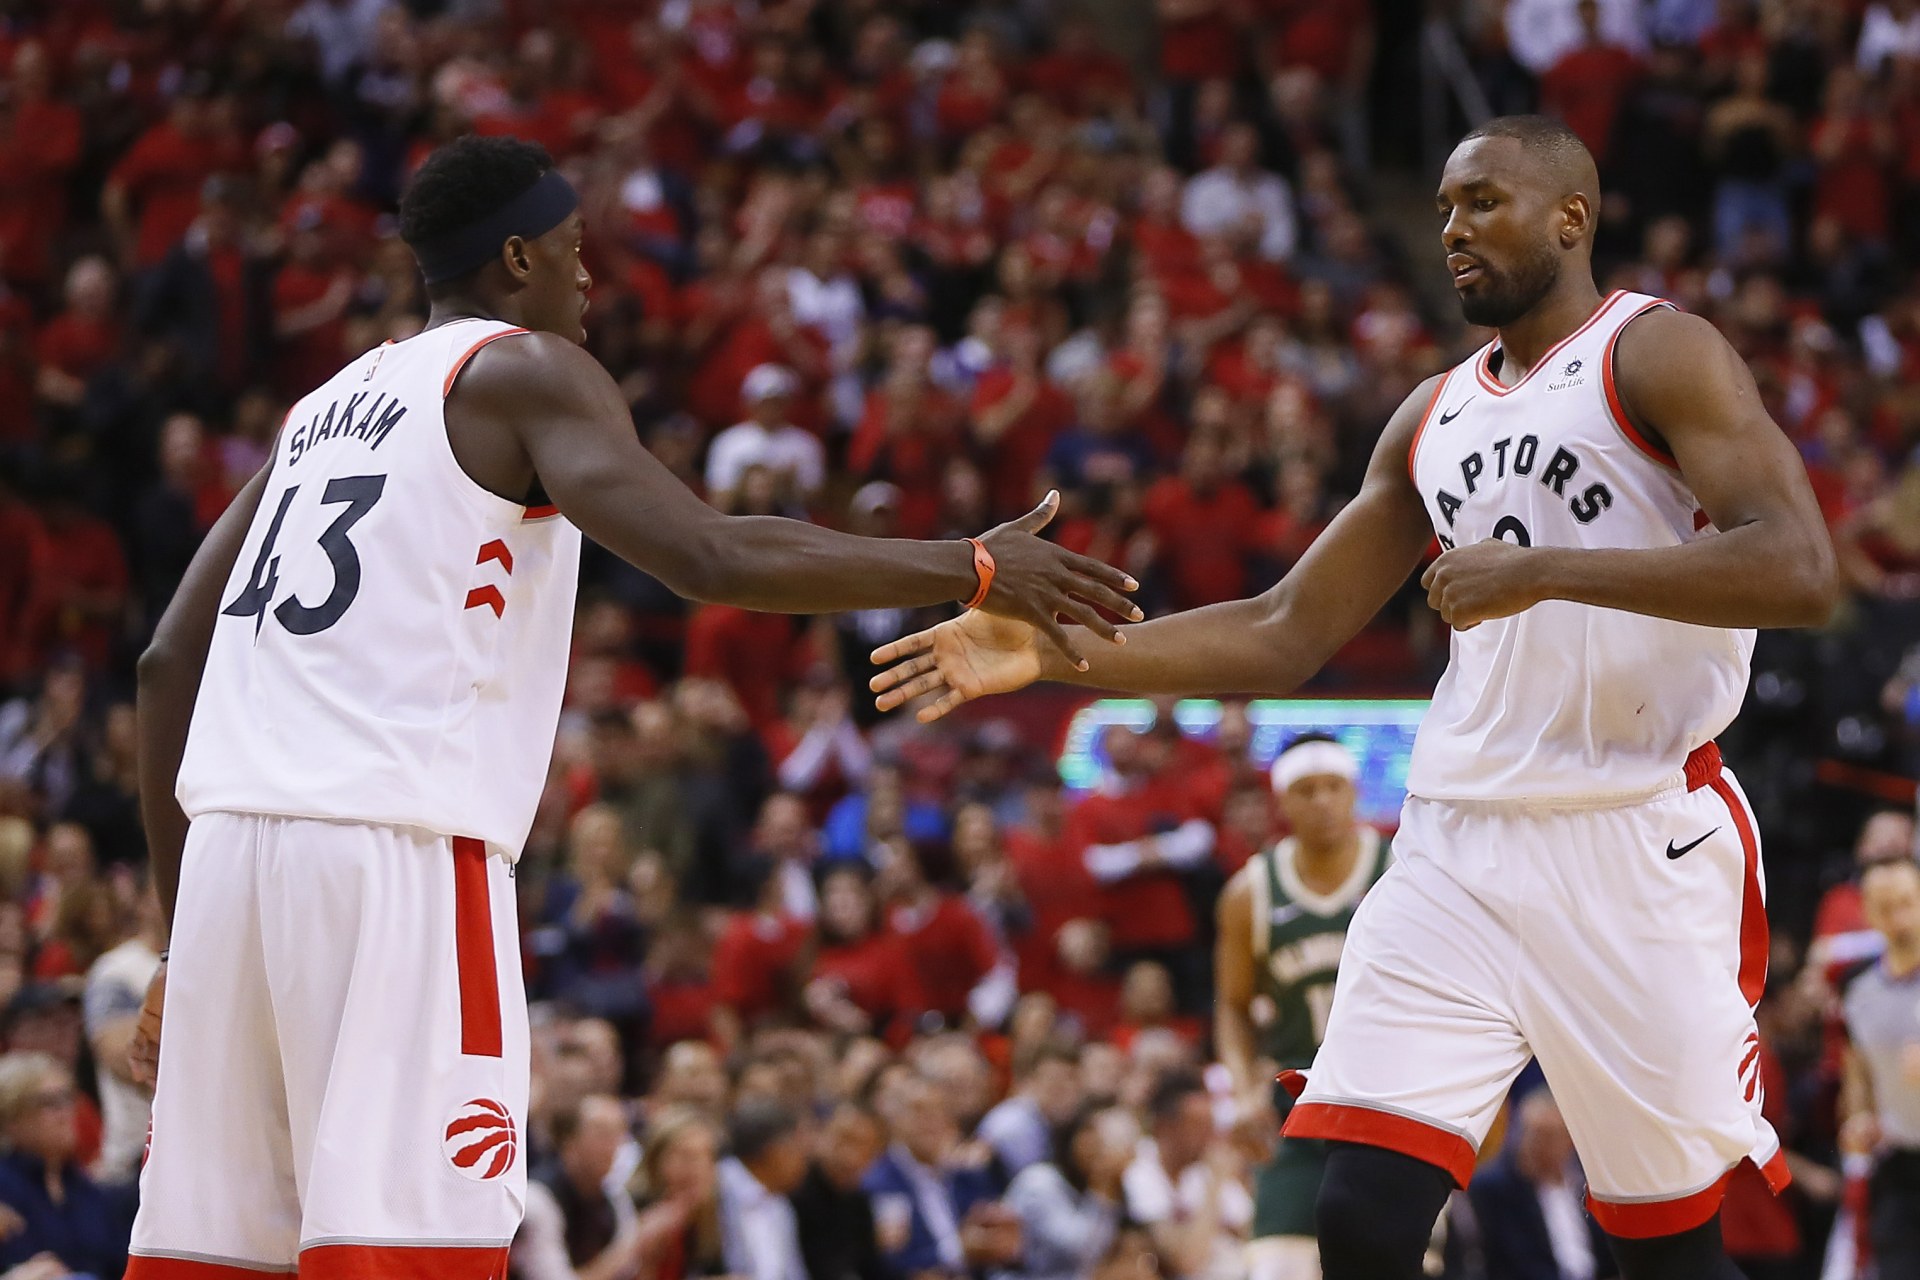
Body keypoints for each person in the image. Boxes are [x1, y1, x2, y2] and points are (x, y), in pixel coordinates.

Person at [125, 135, 1136, 1279]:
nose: (588, 276)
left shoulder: (319, 409)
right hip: (392, 850)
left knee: (212, 1262)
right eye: (571, 249)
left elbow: (167, 660)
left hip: (224, 867)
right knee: (408, 1256)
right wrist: (969, 562)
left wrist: (180, 939)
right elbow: (710, 552)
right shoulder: (523, 369)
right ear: (517, 259)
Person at [871, 115, 1839, 1280]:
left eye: (1483, 201)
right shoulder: (1432, 415)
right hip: (1457, 844)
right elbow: (1285, 628)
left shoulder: (1658, 352)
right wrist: (1054, 649)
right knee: (1364, 1219)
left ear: (1570, 218)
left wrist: (1545, 570)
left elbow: (1799, 567)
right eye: (1443, 209)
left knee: (1669, 1259)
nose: (1454, 229)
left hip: (1636, 837)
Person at [1214, 735, 1390, 1280]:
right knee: (1276, 1264)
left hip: (1386, 1104)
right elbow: (1232, 1006)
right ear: (1282, 802)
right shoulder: (1250, 891)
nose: (1322, 802)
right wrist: (1243, 1088)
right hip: (1296, 1109)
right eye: (1306, 790)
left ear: (1354, 792)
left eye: (1333, 787)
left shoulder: (1400, 872)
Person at [1838, 857, 1920, 1279]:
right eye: (1885, 907)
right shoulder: (1858, 992)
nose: (1898, 919)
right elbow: (1858, 1074)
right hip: (1899, 1168)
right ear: (1868, 913)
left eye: (1907, 903)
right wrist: (1859, 1117)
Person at [1467, 1091, 1613, 1280]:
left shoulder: (1587, 1182)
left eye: (1548, 1137)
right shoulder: (1495, 1188)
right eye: (1529, 1134)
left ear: (1570, 1141)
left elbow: (1609, 1253)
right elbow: (1513, 1263)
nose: (1534, 1145)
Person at [514, 1094, 643, 1280]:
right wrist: (624, 1255)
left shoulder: (617, 1199)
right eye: (602, 1134)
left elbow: (632, 1268)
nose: (611, 1147)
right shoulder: (537, 1198)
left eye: (618, 1135)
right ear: (569, 1140)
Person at [1003, 1104, 1133, 1280]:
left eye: (1101, 1144)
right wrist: (1102, 1190)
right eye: (1091, 1138)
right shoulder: (1039, 1182)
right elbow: (1081, 1251)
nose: (1097, 1150)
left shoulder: (1094, 1185)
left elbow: (1123, 1248)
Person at [716, 1099, 810, 1280]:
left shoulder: (781, 1205)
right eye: (798, 1150)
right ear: (775, 1151)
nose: (804, 1162)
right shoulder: (715, 1188)